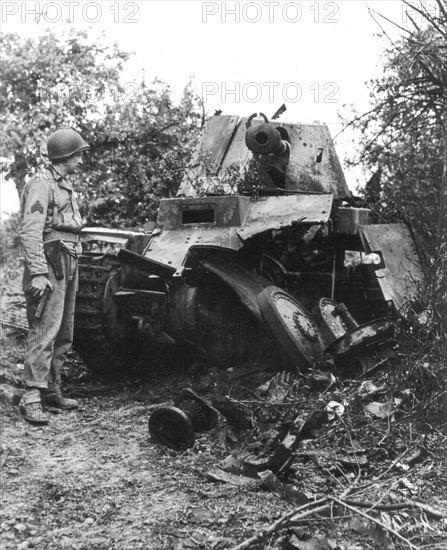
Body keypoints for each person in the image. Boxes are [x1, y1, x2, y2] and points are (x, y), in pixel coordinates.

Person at [19, 128, 90, 424]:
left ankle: (51, 390)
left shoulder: (64, 185)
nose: (82, 161)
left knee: (64, 330)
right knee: (45, 327)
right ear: (65, 155)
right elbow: (31, 230)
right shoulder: (41, 184)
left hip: (68, 259)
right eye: (79, 155)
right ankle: (32, 395)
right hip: (49, 262)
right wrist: (37, 272)